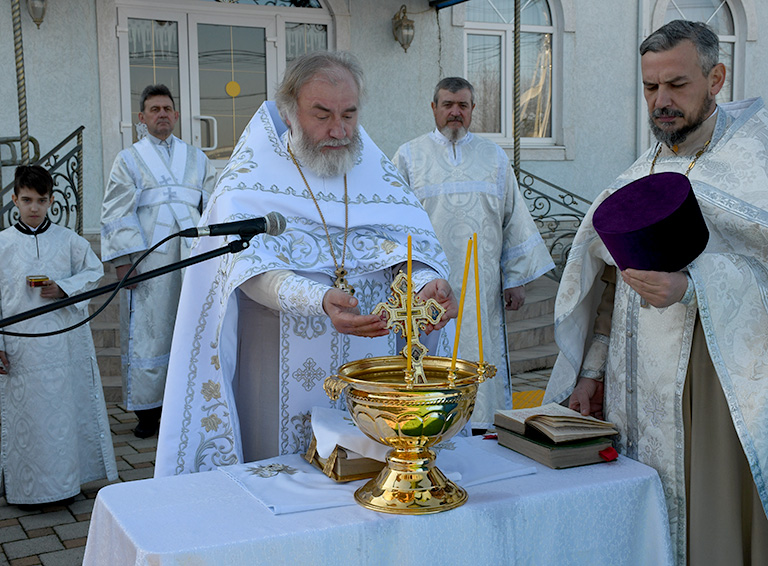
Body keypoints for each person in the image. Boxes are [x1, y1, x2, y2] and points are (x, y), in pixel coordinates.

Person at [154, 51, 457, 476]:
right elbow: (245, 269)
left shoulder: (376, 173)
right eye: (322, 114)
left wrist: (425, 281)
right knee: (283, 488)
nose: (339, 129)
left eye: (350, 114)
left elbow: (407, 249)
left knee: (368, 486)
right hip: (277, 358)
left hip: (370, 360)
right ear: (289, 111)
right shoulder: (249, 178)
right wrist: (317, 299)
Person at [544, 20, 768, 565]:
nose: (661, 101)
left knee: (711, 521)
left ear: (716, 78)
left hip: (715, 385)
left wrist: (693, 286)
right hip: (632, 387)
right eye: (650, 88)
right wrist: (592, 372)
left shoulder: (755, 165)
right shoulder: (638, 173)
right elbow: (604, 290)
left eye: (677, 85)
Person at [393, 77, 554, 430]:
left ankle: (482, 425)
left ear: (472, 110)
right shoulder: (408, 156)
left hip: (481, 286)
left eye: (462, 106)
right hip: (428, 285)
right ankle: (429, 428)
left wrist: (515, 279)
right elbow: (394, 222)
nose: (455, 112)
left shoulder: (494, 157)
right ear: (433, 108)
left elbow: (513, 219)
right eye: (448, 105)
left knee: (481, 351)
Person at [101, 84, 216, 438]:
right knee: (150, 333)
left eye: (167, 108)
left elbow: (213, 205)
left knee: (191, 328)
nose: (162, 114)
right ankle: (149, 413)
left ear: (177, 115)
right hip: (150, 261)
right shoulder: (129, 160)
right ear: (142, 118)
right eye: (154, 109)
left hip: (193, 258)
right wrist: (124, 260)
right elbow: (117, 209)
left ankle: (188, 405)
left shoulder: (197, 158)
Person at [0, 165, 117, 506]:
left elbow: (95, 270)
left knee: (63, 416)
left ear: (51, 200)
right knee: (26, 419)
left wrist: (64, 288)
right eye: (26, 200)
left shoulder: (68, 240)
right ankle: (25, 487)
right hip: (20, 346)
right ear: (14, 200)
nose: (33, 208)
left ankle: (66, 484)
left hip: (63, 346)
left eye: (40, 201)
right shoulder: (3, 244)